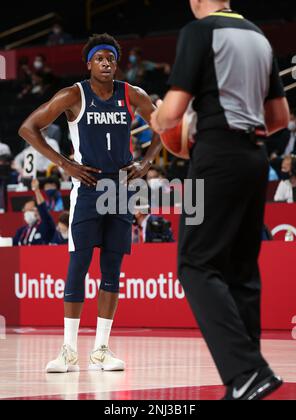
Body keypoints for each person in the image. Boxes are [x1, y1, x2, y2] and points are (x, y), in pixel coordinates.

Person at [151, 0, 290, 400]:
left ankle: (247, 370)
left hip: (215, 156)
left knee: (195, 263)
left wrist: (160, 119)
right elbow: (278, 117)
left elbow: (174, 111)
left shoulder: (198, 32)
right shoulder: (258, 36)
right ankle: (245, 383)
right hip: (254, 158)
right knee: (241, 272)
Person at [18, 33, 162, 374]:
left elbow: (165, 126)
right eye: (100, 58)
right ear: (89, 63)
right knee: (77, 267)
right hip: (88, 190)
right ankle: (68, 350)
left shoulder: (133, 94)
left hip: (121, 190)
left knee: (112, 271)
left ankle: (101, 350)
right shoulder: (74, 94)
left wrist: (148, 161)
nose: (106, 63)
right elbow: (28, 127)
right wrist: (64, 164)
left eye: (111, 58)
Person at [13, 179, 56, 246]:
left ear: (37, 211)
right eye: (25, 210)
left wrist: (37, 191)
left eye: (30, 210)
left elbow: (43, 210)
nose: (26, 213)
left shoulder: (45, 226)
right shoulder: (21, 231)